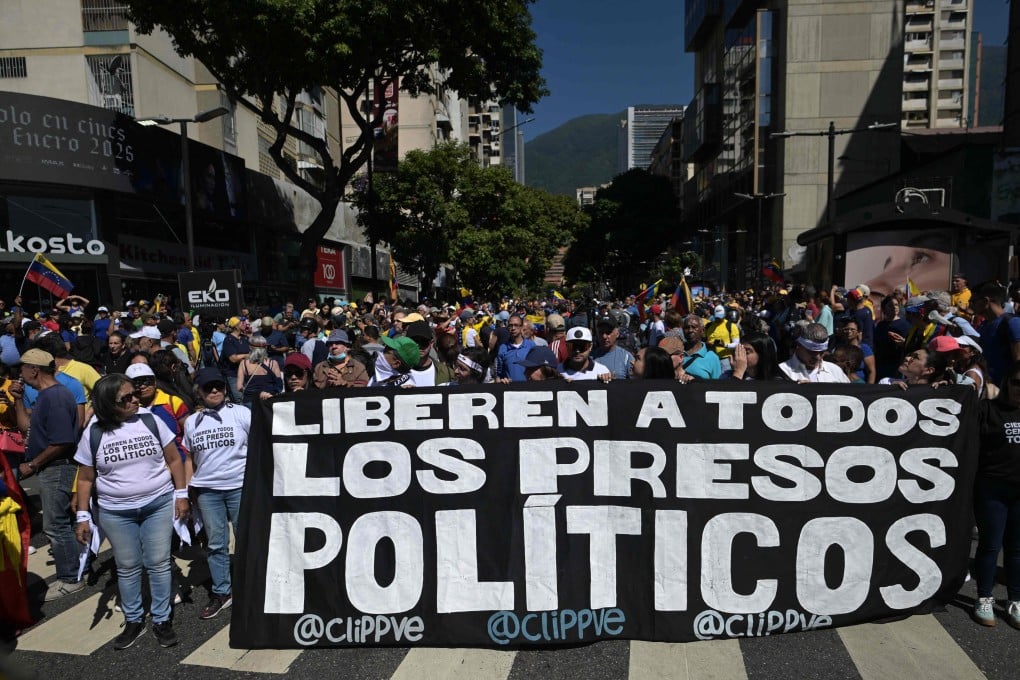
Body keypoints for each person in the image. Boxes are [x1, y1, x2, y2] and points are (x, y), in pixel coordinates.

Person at [73, 374, 189, 649]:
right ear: (108, 404)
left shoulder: (150, 420)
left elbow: (174, 459)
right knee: (127, 567)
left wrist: (181, 495)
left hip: (157, 503)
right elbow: (86, 478)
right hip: (116, 512)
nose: (135, 399)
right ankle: (134, 619)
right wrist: (82, 516)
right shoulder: (94, 432)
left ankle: (161, 619)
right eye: (126, 398)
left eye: (134, 393)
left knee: (159, 562)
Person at [9, 349, 82, 601]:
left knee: (56, 525)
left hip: (57, 467)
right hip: (50, 467)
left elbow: (62, 440)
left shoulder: (56, 397)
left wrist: (33, 464)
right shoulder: (45, 396)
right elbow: (27, 428)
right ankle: (76, 567)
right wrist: (18, 400)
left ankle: (70, 578)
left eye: (22, 368)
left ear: (34, 369)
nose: (20, 373)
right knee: (61, 522)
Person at [182, 368, 250, 620]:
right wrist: (186, 492)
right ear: (198, 391)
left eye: (219, 386)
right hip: (207, 491)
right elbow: (189, 459)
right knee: (216, 543)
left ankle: (251, 586)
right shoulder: (191, 422)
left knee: (247, 538)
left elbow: (259, 447)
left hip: (239, 487)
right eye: (208, 387)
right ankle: (222, 591)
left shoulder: (242, 414)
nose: (215, 391)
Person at [973, 359, 1020, 628]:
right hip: (992, 490)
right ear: (1006, 382)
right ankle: (984, 597)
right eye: (1017, 383)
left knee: (1016, 550)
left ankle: (1015, 599)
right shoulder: (987, 410)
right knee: (990, 546)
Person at [779, 323, 849, 383]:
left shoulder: (835, 371)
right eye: (812, 352)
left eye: (822, 352)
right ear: (799, 346)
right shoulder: (782, 372)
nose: (817, 357)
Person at [236, 335, 282, 406]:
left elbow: (239, 387)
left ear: (250, 347)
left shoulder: (243, 363)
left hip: (250, 401)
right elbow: (279, 385)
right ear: (266, 347)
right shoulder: (273, 363)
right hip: (268, 400)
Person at [495, 314, 535, 382]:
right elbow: (499, 375)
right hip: (510, 390)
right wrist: (501, 381)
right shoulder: (503, 348)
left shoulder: (531, 345)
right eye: (510, 325)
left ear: (521, 327)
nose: (513, 328)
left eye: (516, 325)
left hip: (529, 389)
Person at [592, 316, 634, 380]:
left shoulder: (627, 357)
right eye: (601, 332)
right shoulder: (589, 357)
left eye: (608, 332)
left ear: (617, 334)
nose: (604, 336)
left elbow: (636, 383)